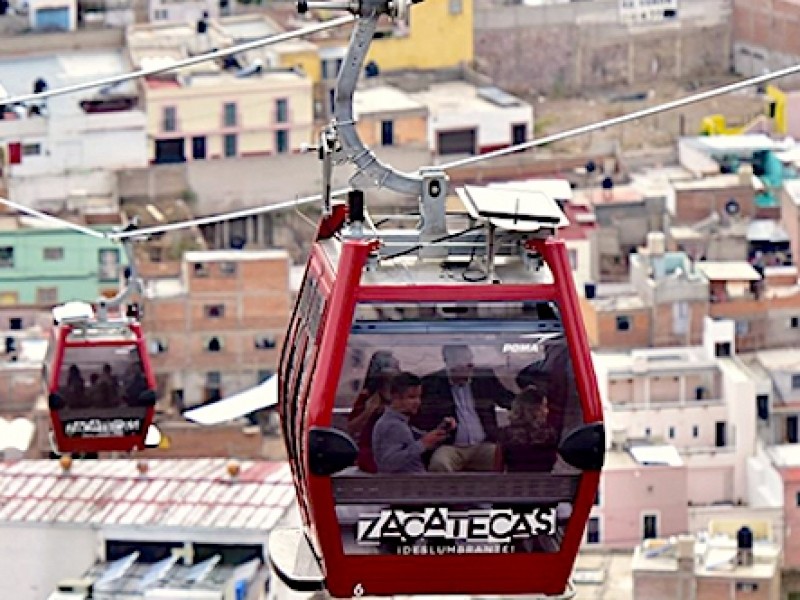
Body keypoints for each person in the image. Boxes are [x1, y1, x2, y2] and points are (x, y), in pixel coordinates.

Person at [414, 344, 515, 472]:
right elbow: (419, 416)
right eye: (464, 365)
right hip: (450, 446)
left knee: (507, 458)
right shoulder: (431, 384)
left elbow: (507, 399)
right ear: (450, 365)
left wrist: (528, 401)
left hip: (483, 444)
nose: (470, 368)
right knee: (439, 463)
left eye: (470, 363)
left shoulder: (483, 378)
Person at [372, 372, 454, 474]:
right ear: (396, 397)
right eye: (411, 397)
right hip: (406, 485)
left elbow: (416, 441)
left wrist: (440, 432)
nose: (417, 402)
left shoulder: (401, 423)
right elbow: (388, 463)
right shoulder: (392, 426)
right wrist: (423, 444)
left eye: (419, 397)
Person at [346, 351, 401, 473]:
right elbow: (351, 429)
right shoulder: (366, 396)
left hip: (398, 450)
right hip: (371, 453)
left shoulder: (404, 396)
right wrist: (369, 411)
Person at [495, 384, 560, 472]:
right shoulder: (550, 435)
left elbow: (499, 467)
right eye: (544, 406)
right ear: (534, 410)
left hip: (514, 483)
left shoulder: (505, 435)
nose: (547, 411)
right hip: (544, 483)